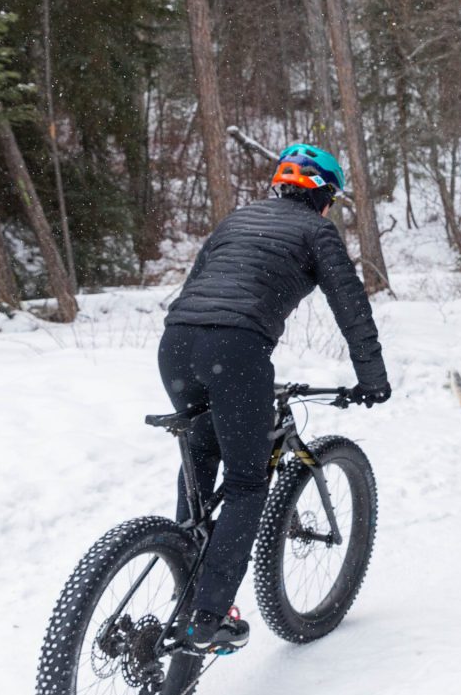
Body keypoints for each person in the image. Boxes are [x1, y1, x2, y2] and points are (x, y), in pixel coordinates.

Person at [158, 142, 391, 653]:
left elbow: (198, 286)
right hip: (235, 348)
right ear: (324, 197)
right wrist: (372, 378)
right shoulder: (317, 231)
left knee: (201, 453)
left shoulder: (236, 220)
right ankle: (207, 620)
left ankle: (185, 583)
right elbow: (351, 307)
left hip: (176, 344)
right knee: (247, 482)